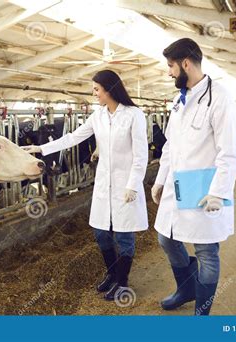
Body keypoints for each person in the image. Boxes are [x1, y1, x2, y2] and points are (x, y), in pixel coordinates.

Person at [22, 70, 148, 302]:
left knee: (124, 236)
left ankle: (122, 282)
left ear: (109, 89)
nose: (94, 93)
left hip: (125, 185)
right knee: (101, 233)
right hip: (104, 185)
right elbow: (73, 137)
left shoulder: (133, 115)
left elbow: (141, 155)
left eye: (96, 89)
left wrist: (133, 184)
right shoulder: (98, 116)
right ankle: (112, 274)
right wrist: (41, 149)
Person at [151, 38, 236, 315]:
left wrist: (219, 192)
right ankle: (186, 288)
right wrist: (160, 179)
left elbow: (229, 152)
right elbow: (169, 146)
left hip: (204, 190)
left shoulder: (219, 97)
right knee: (166, 239)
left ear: (186, 64)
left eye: (171, 66)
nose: (169, 73)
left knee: (206, 252)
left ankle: (202, 313)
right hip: (177, 188)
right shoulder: (180, 102)